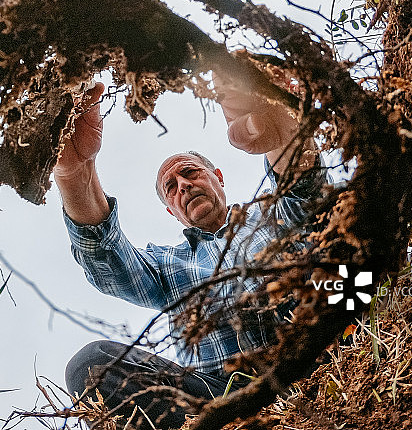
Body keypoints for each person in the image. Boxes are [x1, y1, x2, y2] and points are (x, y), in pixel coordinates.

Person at [54, 73, 326, 429]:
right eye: (171, 187)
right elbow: (109, 262)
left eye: (190, 173)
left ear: (218, 177)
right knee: (91, 365)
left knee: (357, 272)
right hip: (222, 403)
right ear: (172, 210)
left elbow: (305, 188)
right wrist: (75, 174)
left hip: (318, 358)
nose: (183, 185)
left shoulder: (273, 215)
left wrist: (279, 128)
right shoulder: (168, 267)